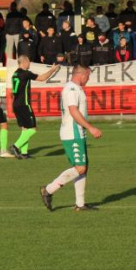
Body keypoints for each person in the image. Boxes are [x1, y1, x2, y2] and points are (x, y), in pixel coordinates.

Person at [40, 65, 103, 212]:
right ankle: (48, 190)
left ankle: (80, 204)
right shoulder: (71, 89)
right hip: (72, 132)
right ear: (81, 74)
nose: (88, 78)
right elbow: (73, 111)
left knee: (82, 168)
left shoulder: (75, 88)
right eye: (88, 76)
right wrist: (91, 127)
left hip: (77, 132)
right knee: (80, 168)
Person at [9, 56, 61, 159]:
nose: (30, 63)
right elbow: (42, 78)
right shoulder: (26, 73)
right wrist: (52, 70)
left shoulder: (15, 74)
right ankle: (15, 146)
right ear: (24, 62)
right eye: (29, 61)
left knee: (25, 129)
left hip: (16, 104)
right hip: (24, 104)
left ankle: (24, 153)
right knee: (33, 129)